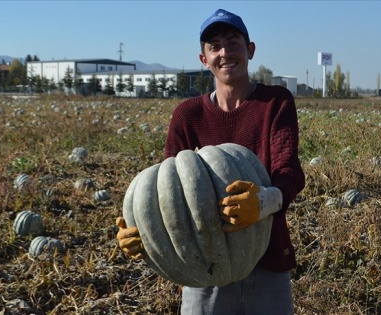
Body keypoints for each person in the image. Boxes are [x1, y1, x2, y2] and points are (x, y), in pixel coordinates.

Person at [116, 8, 305, 314]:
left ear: (250, 50)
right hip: (204, 273)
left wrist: (264, 202)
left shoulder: (275, 102)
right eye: (214, 46)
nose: (224, 52)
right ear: (204, 59)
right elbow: (170, 195)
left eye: (233, 43)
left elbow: (289, 172)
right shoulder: (187, 115)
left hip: (268, 262)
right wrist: (144, 237)